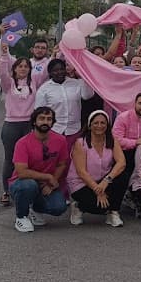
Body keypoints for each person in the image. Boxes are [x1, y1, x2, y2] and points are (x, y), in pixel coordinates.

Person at [33, 58, 95, 190]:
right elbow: (38, 112)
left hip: (74, 130)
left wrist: (83, 75)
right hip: (55, 131)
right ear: (50, 72)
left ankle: (74, 189)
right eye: (55, 70)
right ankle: (56, 188)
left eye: (61, 69)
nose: (59, 72)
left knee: (74, 162)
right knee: (57, 162)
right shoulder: (44, 89)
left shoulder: (76, 83)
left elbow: (88, 95)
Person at [8, 107, 69, 232]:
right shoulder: (22, 143)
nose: (45, 122)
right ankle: (21, 216)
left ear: (53, 122)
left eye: (49, 119)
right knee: (28, 185)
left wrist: (52, 183)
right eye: (41, 118)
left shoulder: (61, 140)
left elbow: (62, 164)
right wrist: (48, 177)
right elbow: (22, 172)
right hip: (22, 182)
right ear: (34, 122)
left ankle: (35, 210)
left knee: (59, 207)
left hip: (45, 184)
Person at [68, 110, 128, 227]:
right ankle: (77, 206)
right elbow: (81, 172)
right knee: (99, 208)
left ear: (107, 125)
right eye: (96, 123)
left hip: (103, 180)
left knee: (123, 175)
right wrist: (98, 191)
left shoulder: (112, 140)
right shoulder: (80, 143)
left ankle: (113, 212)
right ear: (90, 125)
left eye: (103, 123)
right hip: (81, 183)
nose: (99, 126)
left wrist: (106, 181)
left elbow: (121, 163)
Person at [0, 31, 36, 207]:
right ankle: (6, 190)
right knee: (10, 158)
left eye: (26, 66)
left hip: (28, 125)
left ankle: (25, 189)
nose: (23, 69)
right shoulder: (9, 84)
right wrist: (4, 50)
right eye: (19, 66)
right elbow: (3, 70)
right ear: (15, 68)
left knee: (28, 159)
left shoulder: (34, 83)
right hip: (11, 125)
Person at [112, 93, 141, 191]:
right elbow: (116, 140)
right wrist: (136, 142)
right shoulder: (123, 117)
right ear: (135, 104)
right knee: (122, 181)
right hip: (123, 154)